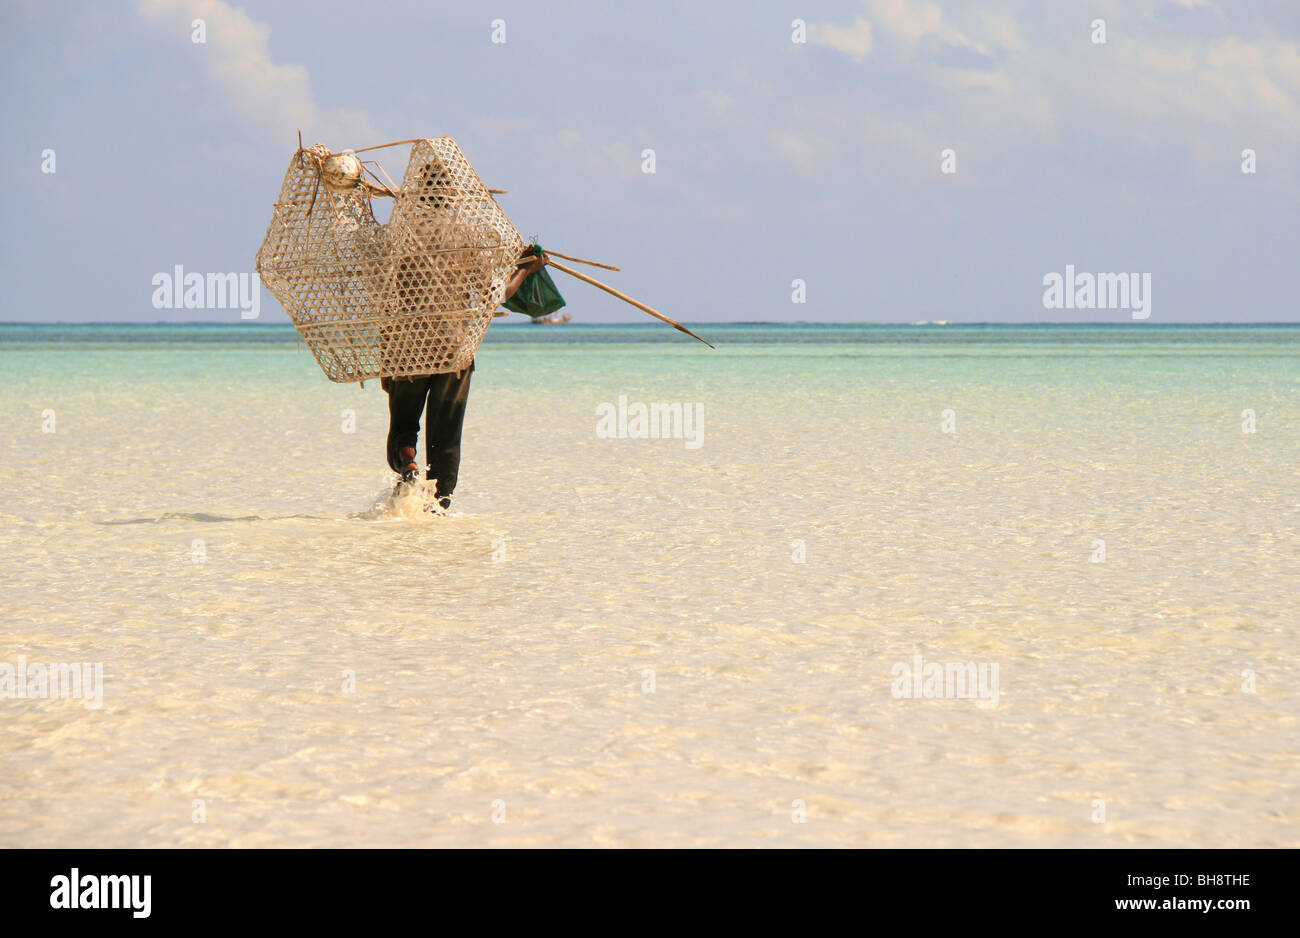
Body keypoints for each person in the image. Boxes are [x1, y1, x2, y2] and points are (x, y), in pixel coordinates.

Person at [382, 249, 548, 510]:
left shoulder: (401, 242)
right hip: (453, 350)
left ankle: (409, 465)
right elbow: (498, 294)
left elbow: (386, 305)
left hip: (409, 348)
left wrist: (385, 361)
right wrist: (525, 270)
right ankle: (438, 507)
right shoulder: (466, 245)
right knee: (446, 435)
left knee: (404, 426)